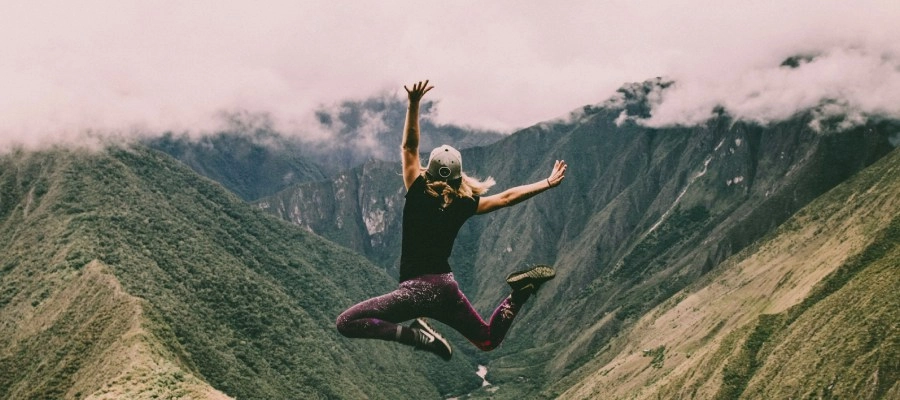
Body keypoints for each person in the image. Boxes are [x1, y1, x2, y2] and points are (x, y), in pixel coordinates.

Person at [335, 80, 567, 360]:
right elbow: (506, 198)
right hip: (446, 288)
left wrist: (413, 104)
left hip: (415, 292)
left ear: (428, 171)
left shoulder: (418, 189)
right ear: (459, 176)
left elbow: (409, 147)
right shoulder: (464, 203)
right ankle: (518, 295)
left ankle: (417, 337)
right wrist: (547, 183)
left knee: (346, 323)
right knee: (487, 340)